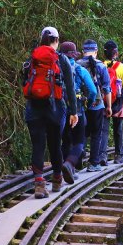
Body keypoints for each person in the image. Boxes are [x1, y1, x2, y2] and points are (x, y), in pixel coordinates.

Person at [23, 27, 79, 199]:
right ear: (57, 41)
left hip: (34, 107)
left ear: (41, 39)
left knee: (38, 145)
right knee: (55, 143)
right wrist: (73, 111)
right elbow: (70, 88)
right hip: (55, 107)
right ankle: (56, 179)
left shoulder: (31, 59)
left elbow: (25, 83)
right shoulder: (62, 60)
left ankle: (39, 184)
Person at [58, 41, 98, 180]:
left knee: (64, 140)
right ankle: (69, 165)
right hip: (77, 110)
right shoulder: (80, 69)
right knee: (79, 141)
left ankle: (63, 170)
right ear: (74, 55)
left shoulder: (56, 66)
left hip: (59, 109)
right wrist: (89, 102)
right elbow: (93, 90)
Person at [76, 40, 113, 172]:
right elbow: (107, 89)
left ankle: (77, 162)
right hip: (97, 105)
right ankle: (93, 163)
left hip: (80, 105)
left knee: (81, 133)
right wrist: (108, 107)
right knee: (96, 134)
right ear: (96, 52)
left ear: (83, 52)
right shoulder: (101, 66)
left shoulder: (76, 65)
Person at [102, 40, 123, 164]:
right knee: (118, 129)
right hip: (119, 101)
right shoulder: (121, 67)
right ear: (115, 53)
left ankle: (103, 156)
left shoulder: (100, 65)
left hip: (105, 100)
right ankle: (119, 155)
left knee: (104, 130)